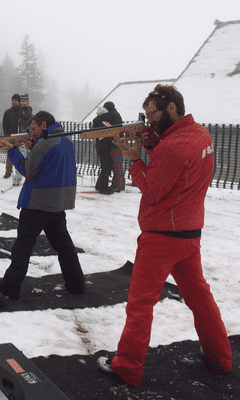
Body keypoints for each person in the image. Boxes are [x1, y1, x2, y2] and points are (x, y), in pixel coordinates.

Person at [97, 85, 232, 388]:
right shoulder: (200, 135)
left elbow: (154, 189)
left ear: (171, 108)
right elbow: (176, 170)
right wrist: (150, 146)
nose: (149, 122)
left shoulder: (172, 146)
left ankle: (128, 366)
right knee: (200, 297)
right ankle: (220, 357)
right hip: (189, 234)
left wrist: (134, 159)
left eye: (152, 115)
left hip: (161, 237)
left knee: (140, 304)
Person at [0, 111, 85, 300]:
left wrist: (12, 150)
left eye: (34, 128)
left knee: (23, 247)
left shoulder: (44, 144)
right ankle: (76, 283)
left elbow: (28, 170)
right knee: (64, 246)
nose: (32, 133)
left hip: (37, 203)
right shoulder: (65, 141)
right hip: (57, 203)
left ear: (44, 125)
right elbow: (49, 165)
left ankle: (9, 287)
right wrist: (33, 146)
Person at [93, 101, 123, 194]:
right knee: (111, 165)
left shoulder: (103, 118)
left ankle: (102, 185)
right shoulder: (111, 116)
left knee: (108, 165)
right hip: (109, 144)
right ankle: (106, 186)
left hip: (106, 144)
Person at [104, 101, 125, 192]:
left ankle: (117, 185)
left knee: (116, 165)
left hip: (115, 142)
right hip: (118, 141)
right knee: (118, 164)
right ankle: (121, 184)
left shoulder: (111, 115)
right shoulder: (116, 114)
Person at [11, 105, 34, 187]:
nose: (23, 113)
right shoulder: (20, 121)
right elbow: (18, 132)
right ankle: (17, 180)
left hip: (32, 144)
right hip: (22, 144)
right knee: (20, 160)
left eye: (24, 111)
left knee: (31, 162)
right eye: (22, 111)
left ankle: (30, 178)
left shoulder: (33, 120)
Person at [2, 94, 22, 179]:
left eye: (16, 101)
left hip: (20, 137)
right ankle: (8, 171)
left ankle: (20, 170)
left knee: (20, 154)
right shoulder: (7, 112)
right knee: (10, 154)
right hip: (10, 136)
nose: (14, 102)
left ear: (19, 102)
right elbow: (4, 124)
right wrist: (7, 135)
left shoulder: (22, 112)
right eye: (12, 100)